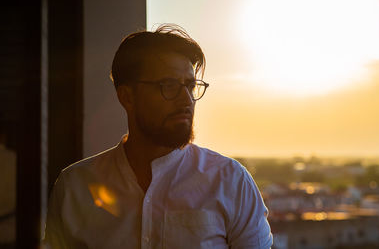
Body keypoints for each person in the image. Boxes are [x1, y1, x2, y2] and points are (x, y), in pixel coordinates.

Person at [44, 24, 273, 249]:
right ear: (127, 97)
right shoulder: (75, 187)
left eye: (190, 86)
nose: (186, 100)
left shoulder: (231, 181)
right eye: (169, 85)